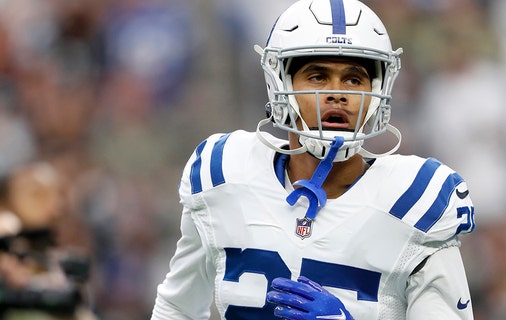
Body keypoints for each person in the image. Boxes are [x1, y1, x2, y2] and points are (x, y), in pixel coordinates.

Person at [151, 0, 476, 319]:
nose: (338, 93)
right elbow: (177, 309)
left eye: (353, 79)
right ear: (281, 83)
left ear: (378, 90)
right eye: (317, 76)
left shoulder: (416, 202)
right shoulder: (223, 173)